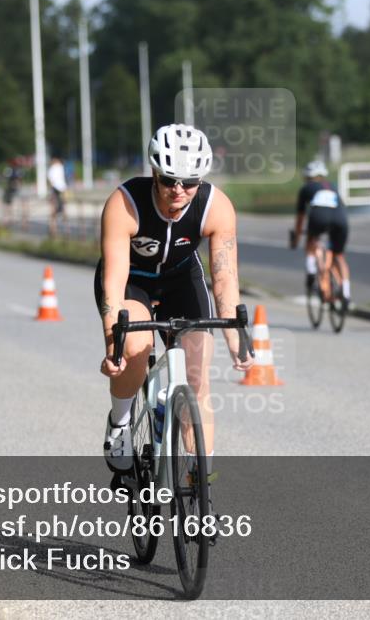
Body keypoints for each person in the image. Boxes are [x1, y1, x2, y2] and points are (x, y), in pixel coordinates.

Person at [96, 124, 253, 476]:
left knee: (197, 380)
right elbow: (113, 279)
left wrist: (236, 339)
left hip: (182, 280)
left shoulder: (217, 207)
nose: (178, 191)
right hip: (133, 282)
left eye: (189, 182)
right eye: (169, 181)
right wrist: (113, 345)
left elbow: (225, 277)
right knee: (135, 349)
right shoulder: (124, 204)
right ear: (154, 173)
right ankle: (120, 425)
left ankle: (201, 485)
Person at [291, 160, 350, 303]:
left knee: (311, 245)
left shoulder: (306, 188)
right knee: (339, 255)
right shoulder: (333, 186)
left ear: (307, 177)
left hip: (319, 219)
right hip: (341, 220)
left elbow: (300, 218)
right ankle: (346, 292)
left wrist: (297, 238)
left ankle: (311, 273)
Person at [47, 156, 67, 236]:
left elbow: (50, 180)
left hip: (56, 189)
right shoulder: (59, 167)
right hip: (60, 189)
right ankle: (56, 229)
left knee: (54, 211)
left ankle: (53, 229)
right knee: (60, 211)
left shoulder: (53, 168)